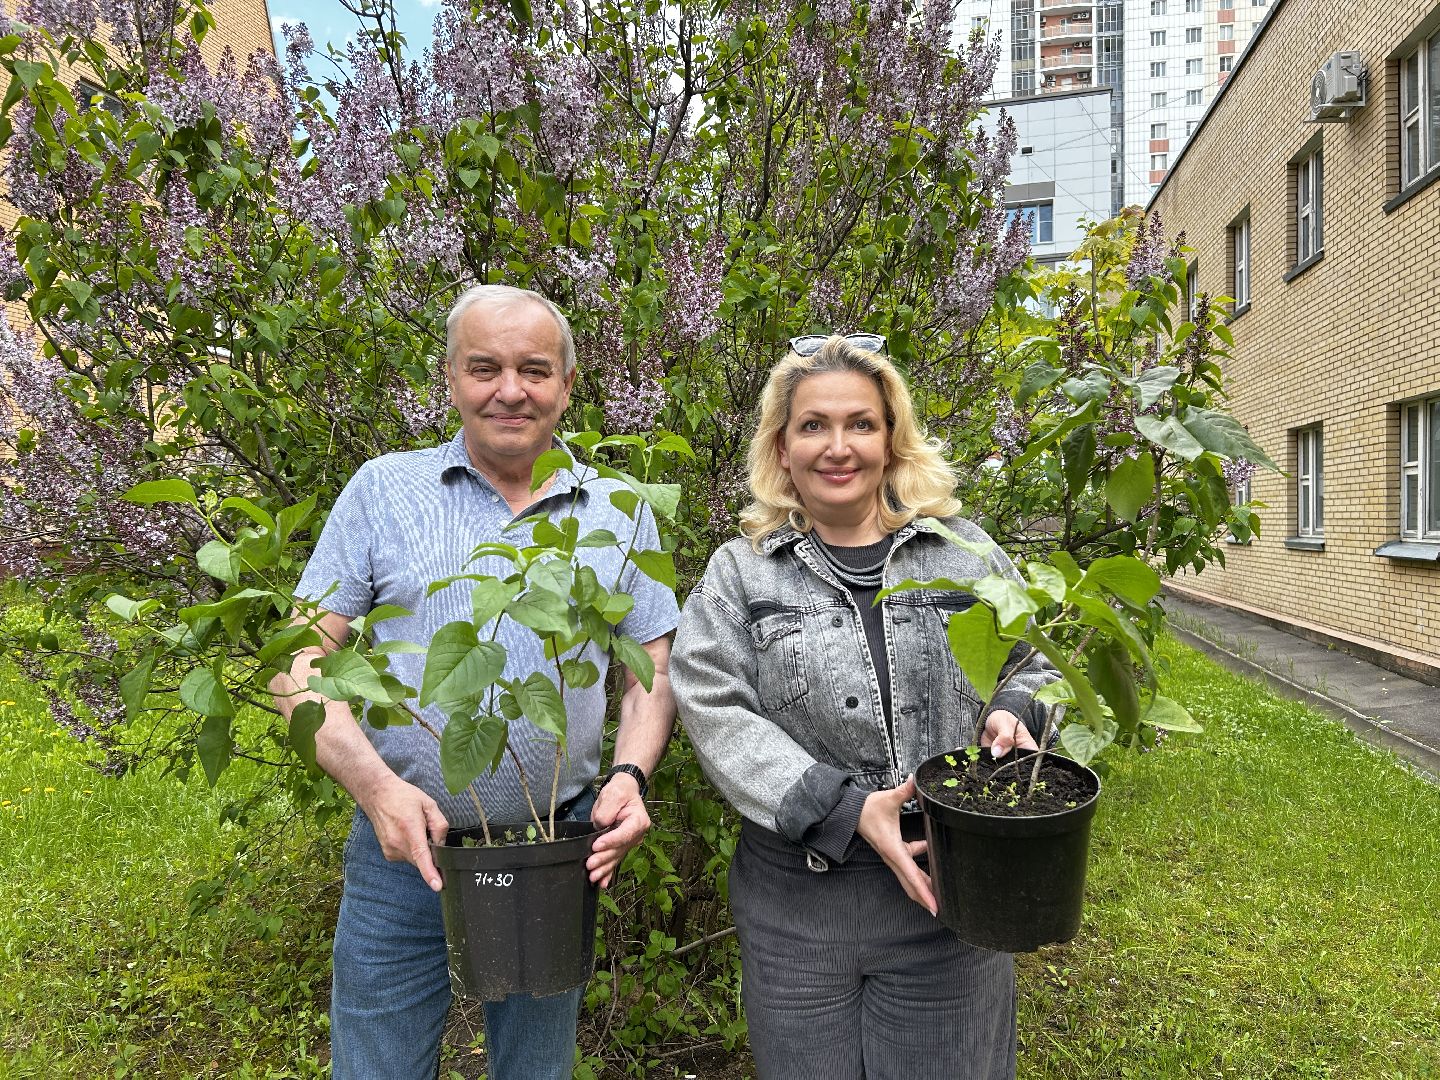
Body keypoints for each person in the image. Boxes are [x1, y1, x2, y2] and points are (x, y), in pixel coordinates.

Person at [271, 284, 679, 1080]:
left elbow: (651, 671)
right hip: (401, 848)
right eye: (485, 368)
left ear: (568, 384)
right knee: (377, 1068)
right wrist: (376, 788)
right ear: (451, 378)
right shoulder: (385, 490)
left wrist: (630, 776)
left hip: (556, 846)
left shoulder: (620, 508)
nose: (510, 391)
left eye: (535, 369)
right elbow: (300, 663)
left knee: (536, 1069)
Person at [669, 334, 1057, 1080]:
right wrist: (844, 809)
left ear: (891, 440)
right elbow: (713, 703)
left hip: (948, 894)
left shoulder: (962, 553)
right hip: (797, 911)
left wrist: (1017, 710)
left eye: (861, 424)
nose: (838, 447)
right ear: (782, 449)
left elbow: (1035, 663)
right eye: (813, 425)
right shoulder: (741, 573)